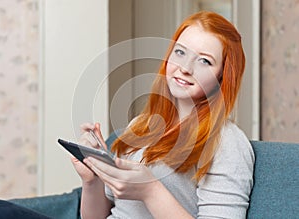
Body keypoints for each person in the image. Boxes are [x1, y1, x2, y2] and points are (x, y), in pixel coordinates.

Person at [72, 11, 255, 219]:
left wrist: (150, 191)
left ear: (223, 76)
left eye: (204, 61)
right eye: (180, 52)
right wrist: (92, 179)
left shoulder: (226, 143)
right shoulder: (140, 125)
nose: (185, 68)